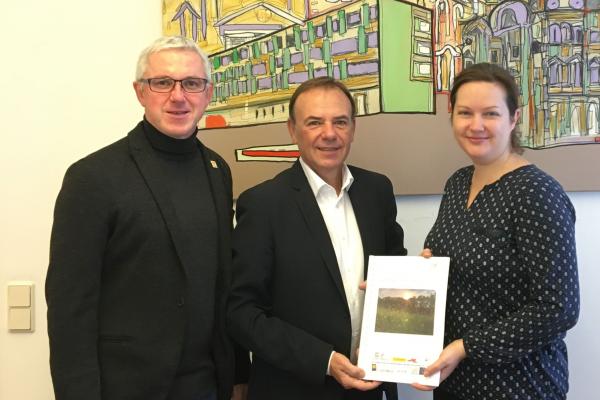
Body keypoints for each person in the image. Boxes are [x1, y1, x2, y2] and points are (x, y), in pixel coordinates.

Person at [46, 36, 248, 400]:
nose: (178, 96)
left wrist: (236, 376)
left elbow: (223, 284)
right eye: (162, 83)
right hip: (126, 386)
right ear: (140, 92)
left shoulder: (218, 171)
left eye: (191, 83)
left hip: (205, 384)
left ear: (207, 93)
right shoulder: (93, 177)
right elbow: (70, 307)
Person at [227, 77, 407, 400]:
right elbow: (243, 313)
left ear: (353, 128)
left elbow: (395, 277)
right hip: (294, 390)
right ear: (292, 130)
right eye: (314, 122)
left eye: (340, 121)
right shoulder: (264, 204)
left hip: (369, 387)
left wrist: (417, 280)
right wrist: (324, 360)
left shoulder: (377, 191)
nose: (329, 133)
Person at [413, 63, 580, 400]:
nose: (476, 125)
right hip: (455, 379)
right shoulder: (458, 183)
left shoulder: (536, 192)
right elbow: (453, 269)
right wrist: (400, 285)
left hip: (519, 384)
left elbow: (559, 308)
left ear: (513, 118)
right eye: (465, 113)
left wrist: (467, 346)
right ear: (452, 116)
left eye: (490, 113)